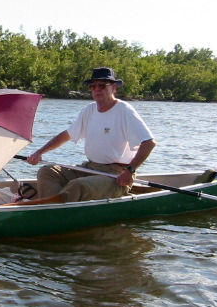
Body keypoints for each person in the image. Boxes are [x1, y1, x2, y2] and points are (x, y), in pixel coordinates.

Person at [23, 67, 156, 205]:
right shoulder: (89, 110)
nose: (97, 89)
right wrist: (39, 152)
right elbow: (67, 135)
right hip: (90, 167)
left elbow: (149, 143)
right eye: (93, 86)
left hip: (116, 175)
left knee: (77, 186)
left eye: (102, 86)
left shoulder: (124, 110)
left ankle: (56, 209)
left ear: (114, 88)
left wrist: (129, 171)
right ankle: (52, 206)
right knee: (46, 172)